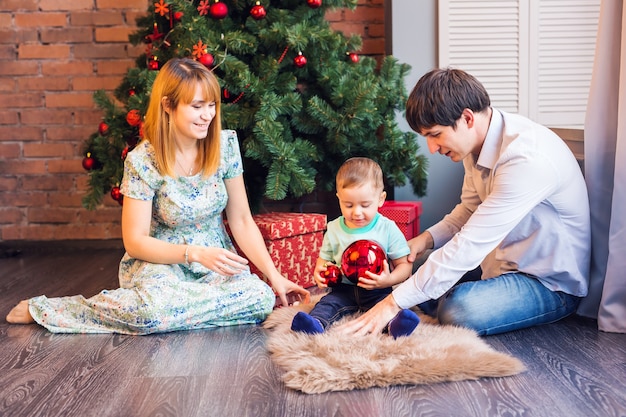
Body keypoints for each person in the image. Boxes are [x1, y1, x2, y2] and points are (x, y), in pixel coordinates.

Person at [6, 58, 310, 334]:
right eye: (197, 106)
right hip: (160, 264)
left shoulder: (225, 146)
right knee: (149, 313)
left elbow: (242, 220)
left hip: (214, 264)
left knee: (259, 299)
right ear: (168, 106)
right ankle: (55, 310)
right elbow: (135, 241)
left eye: (212, 105)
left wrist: (273, 275)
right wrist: (193, 253)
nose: (208, 116)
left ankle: (178, 315)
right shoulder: (142, 161)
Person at [338, 68, 590, 337]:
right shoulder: (477, 145)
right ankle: (440, 294)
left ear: (467, 118)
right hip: (499, 265)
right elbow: (469, 210)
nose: (432, 148)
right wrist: (423, 241)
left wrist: (391, 304)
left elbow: (469, 243)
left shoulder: (525, 160)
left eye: (435, 135)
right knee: (413, 270)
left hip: (547, 284)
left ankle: (444, 298)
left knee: (459, 310)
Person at [291, 157, 420, 338]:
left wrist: (387, 280)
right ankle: (315, 323)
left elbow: (405, 266)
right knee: (327, 304)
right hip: (343, 290)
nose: (356, 212)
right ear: (339, 199)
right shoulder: (334, 228)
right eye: (348, 205)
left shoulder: (387, 228)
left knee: (385, 307)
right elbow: (323, 261)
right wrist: (320, 274)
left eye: (365, 205)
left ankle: (396, 325)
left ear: (380, 199)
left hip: (377, 289)